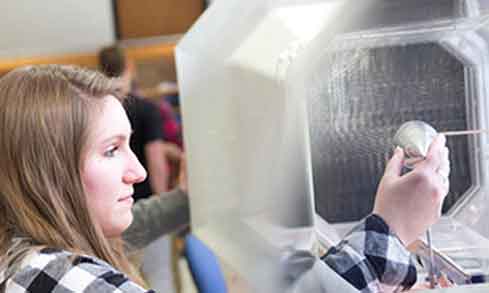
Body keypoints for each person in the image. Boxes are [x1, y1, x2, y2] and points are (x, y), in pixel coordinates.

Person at [0, 65, 449, 292]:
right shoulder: (69, 281)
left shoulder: (30, 260)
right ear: (48, 173)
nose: (136, 172)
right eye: (111, 150)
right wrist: (388, 233)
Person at [99, 45, 173, 199]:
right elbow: (156, 162)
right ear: (129, 66)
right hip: (144, 199)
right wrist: (163, 202)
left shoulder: (98, 110)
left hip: (114, 197)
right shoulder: (147, 109)